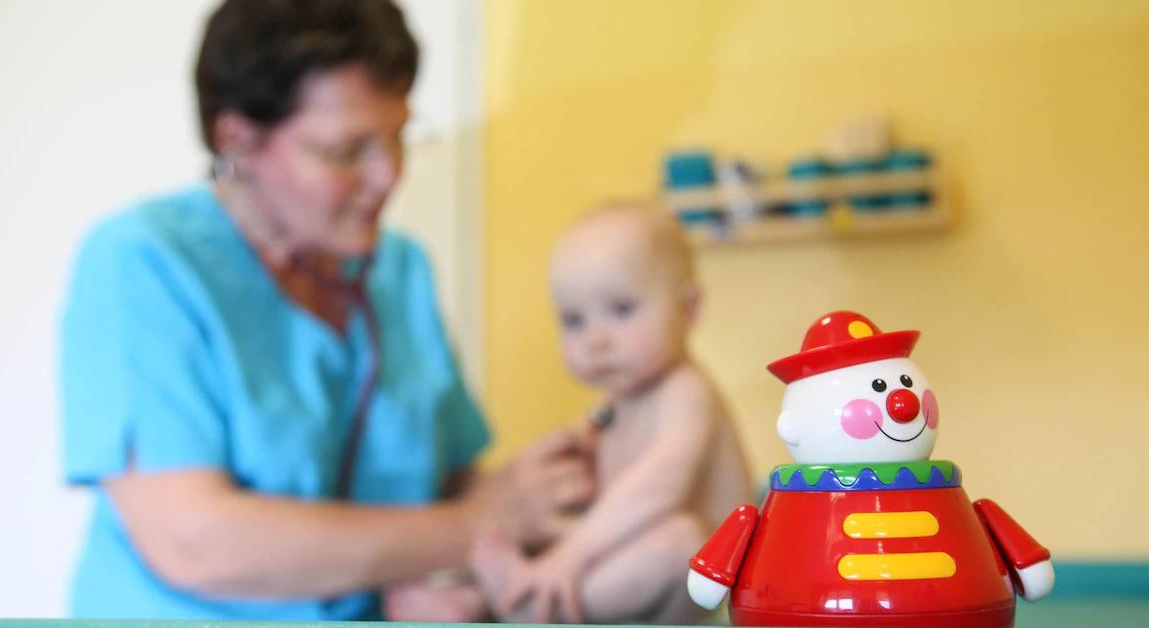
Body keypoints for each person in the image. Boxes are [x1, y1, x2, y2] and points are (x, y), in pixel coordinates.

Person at [59, 0, 592, 620]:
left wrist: (551, 498)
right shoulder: (145, 262)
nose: (387, 175)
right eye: (347, 151)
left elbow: (456, 480)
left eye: (399, 136)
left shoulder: (399, 270)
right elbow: (194, 542)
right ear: (237, 141)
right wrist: (472, 527)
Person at [468, 202, 755, 623]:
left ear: (688, 309)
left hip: (703, 578)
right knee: (554, 526)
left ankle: (535, 605)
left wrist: (570, 554)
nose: (596, 339)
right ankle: (495, 592)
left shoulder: (685, 392)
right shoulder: (616, 407)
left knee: (680, 540)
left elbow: (659, 486)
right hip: (645, 572)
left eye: (622, 309)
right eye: (574, 320)